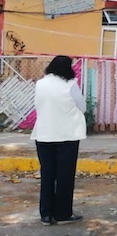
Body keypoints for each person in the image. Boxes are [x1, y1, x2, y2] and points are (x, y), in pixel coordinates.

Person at [31, 55, 86, 226]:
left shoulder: (40, 84)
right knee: (64, 176)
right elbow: (82, 106)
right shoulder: (70, 85)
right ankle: (63, 214)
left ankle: (46, 214)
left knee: (47, 175)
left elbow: (38, 105)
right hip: (67, 136)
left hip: (43, 135)